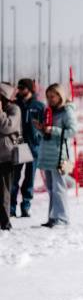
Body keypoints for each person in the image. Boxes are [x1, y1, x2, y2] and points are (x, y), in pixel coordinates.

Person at [34, 83, 77, 228]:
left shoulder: (67, 112)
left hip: (59, 156)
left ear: (60, 96)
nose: (50, 99)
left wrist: (52, 130)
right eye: (48, 97)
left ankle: (62, 219)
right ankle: (53, 217)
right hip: (47, 154)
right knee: (51, 189)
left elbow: (72, 131)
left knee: (59, 188)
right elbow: (47, 133)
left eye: (52, 96)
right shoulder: (49, 111)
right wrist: (41, 129)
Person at [9, 79, 45, 219]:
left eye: (22, 87)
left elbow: (44, 126)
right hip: (19, 144)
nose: (19, 90)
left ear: (30, 89)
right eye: (18, 87)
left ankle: (26, 206)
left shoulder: (39, 106)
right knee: (14, 177)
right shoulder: (15, 105)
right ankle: (11, 207)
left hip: (34, 146)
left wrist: (38, 138)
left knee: (29, 179)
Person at [0, 83, 21, 231]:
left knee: (4, 191)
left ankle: (5, 222)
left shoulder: (14, 109)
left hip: (5, 156)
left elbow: (7, 126)